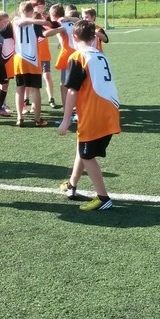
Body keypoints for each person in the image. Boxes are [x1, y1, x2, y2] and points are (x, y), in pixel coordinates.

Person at [57, 20, 121, 211]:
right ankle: (71, 185)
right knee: (83, 147)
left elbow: (72, 91)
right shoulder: (100, 54)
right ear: (94, 37)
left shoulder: (78, 56)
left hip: (94, 112)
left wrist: (65, 120)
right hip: (109, 109)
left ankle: (103, 198)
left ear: (74, 37)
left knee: (87, 155)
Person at [0, 1, 61, 127]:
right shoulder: (34, 23)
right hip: (33, 60)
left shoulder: (14, 23)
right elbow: (45, 34)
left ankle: (20, 117)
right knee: (35, 90)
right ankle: (37, 120)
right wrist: (60, 29)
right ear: (31, 12)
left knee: (20, 88)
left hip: (19, 60)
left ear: (20, 11)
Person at [32, 0, 58, 108]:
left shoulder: (46, 19)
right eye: (38, 7)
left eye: (42, 7)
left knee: (47, 75)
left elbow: (52, 30)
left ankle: (51, 98)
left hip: (44, 53)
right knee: (31, 79)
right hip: (33, 54)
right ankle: (26, 100)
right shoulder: (29, 19)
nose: (40, 9)